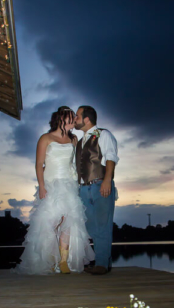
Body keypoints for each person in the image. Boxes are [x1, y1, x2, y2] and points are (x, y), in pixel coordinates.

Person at [13, 106, 95, 275]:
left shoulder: (73, 140)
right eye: (71, 117)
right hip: (51, 184)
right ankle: (50, 259)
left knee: (69, 221)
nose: (74, 120)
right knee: (50, 222)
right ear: (61, 119)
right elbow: (38, 164)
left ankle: (64, 261)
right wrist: (42, 186)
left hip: (70, 185)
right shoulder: (46, 138)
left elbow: (75, 164)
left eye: (74, 117)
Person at [74, 106, 119, 275]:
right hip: (83, 189)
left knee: (103, 225)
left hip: (101, 185)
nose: (75, 119)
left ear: (87, 119)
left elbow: (111, 157)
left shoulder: (103, 134)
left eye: (77, 116)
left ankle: (101, 263)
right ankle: (104, 261)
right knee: (91, 226)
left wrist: (107, 180)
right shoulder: (79, 142)